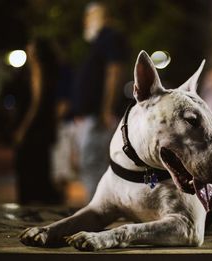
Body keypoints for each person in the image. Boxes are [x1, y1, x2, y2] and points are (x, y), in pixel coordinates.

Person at [72, 1, 128, 200]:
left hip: (98, 115)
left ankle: (97, 209)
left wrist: (106, 108)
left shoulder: (110, 37)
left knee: (93, 162)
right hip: (94, 114)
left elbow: (115, 71)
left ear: (103, 18)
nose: (86, 21)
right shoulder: (99, 42)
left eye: (90, 16)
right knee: (92, 162)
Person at [14, 38, 63, 204]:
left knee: (29, 166)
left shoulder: (37, 70)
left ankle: (31, 203)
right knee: (37, 166)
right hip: (41, 129)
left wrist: (23, 128)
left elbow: (36, 103)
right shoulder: (44, 70)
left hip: (35, 131)